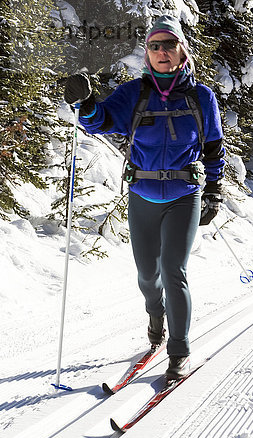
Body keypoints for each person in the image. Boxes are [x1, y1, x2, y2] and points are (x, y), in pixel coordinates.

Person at [64, 14, 225, 380]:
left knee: (174, 270)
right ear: (148, 53)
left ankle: (179, 352)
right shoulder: (134, 94)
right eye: (155, 46)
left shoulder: (202, 97)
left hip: (184, 196)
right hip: (142, 196)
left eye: (169, 44)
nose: (162, 51)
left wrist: (214, 192)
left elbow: (214, 148)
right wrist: (85, 102)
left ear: (182, 51)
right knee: (147, 275)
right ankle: (156, 314)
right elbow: (100, 121)